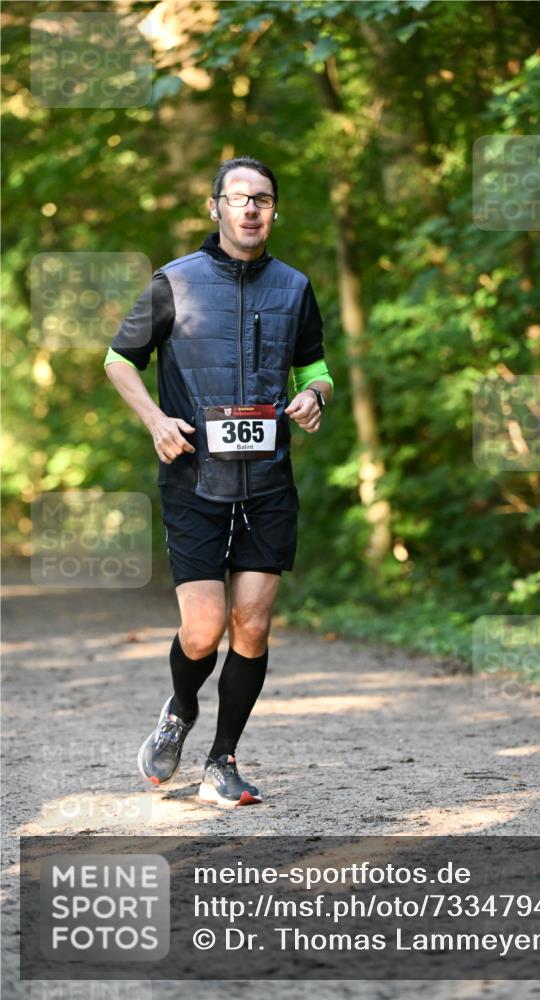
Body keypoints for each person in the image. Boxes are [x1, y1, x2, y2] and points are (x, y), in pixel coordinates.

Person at [104, 156, 333, 807]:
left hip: (266, 480)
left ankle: (221, 762)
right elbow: (118, 360)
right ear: (216, 208)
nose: (250, 208)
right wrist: (154, 419)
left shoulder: (294, 287)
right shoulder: (173, 282)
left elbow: (316, 367)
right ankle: (179, 711)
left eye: (262, 198)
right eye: (238, 198)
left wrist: (314, 394)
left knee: (252, 625)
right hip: (193, 478)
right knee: (203, 631)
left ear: (273, 210)